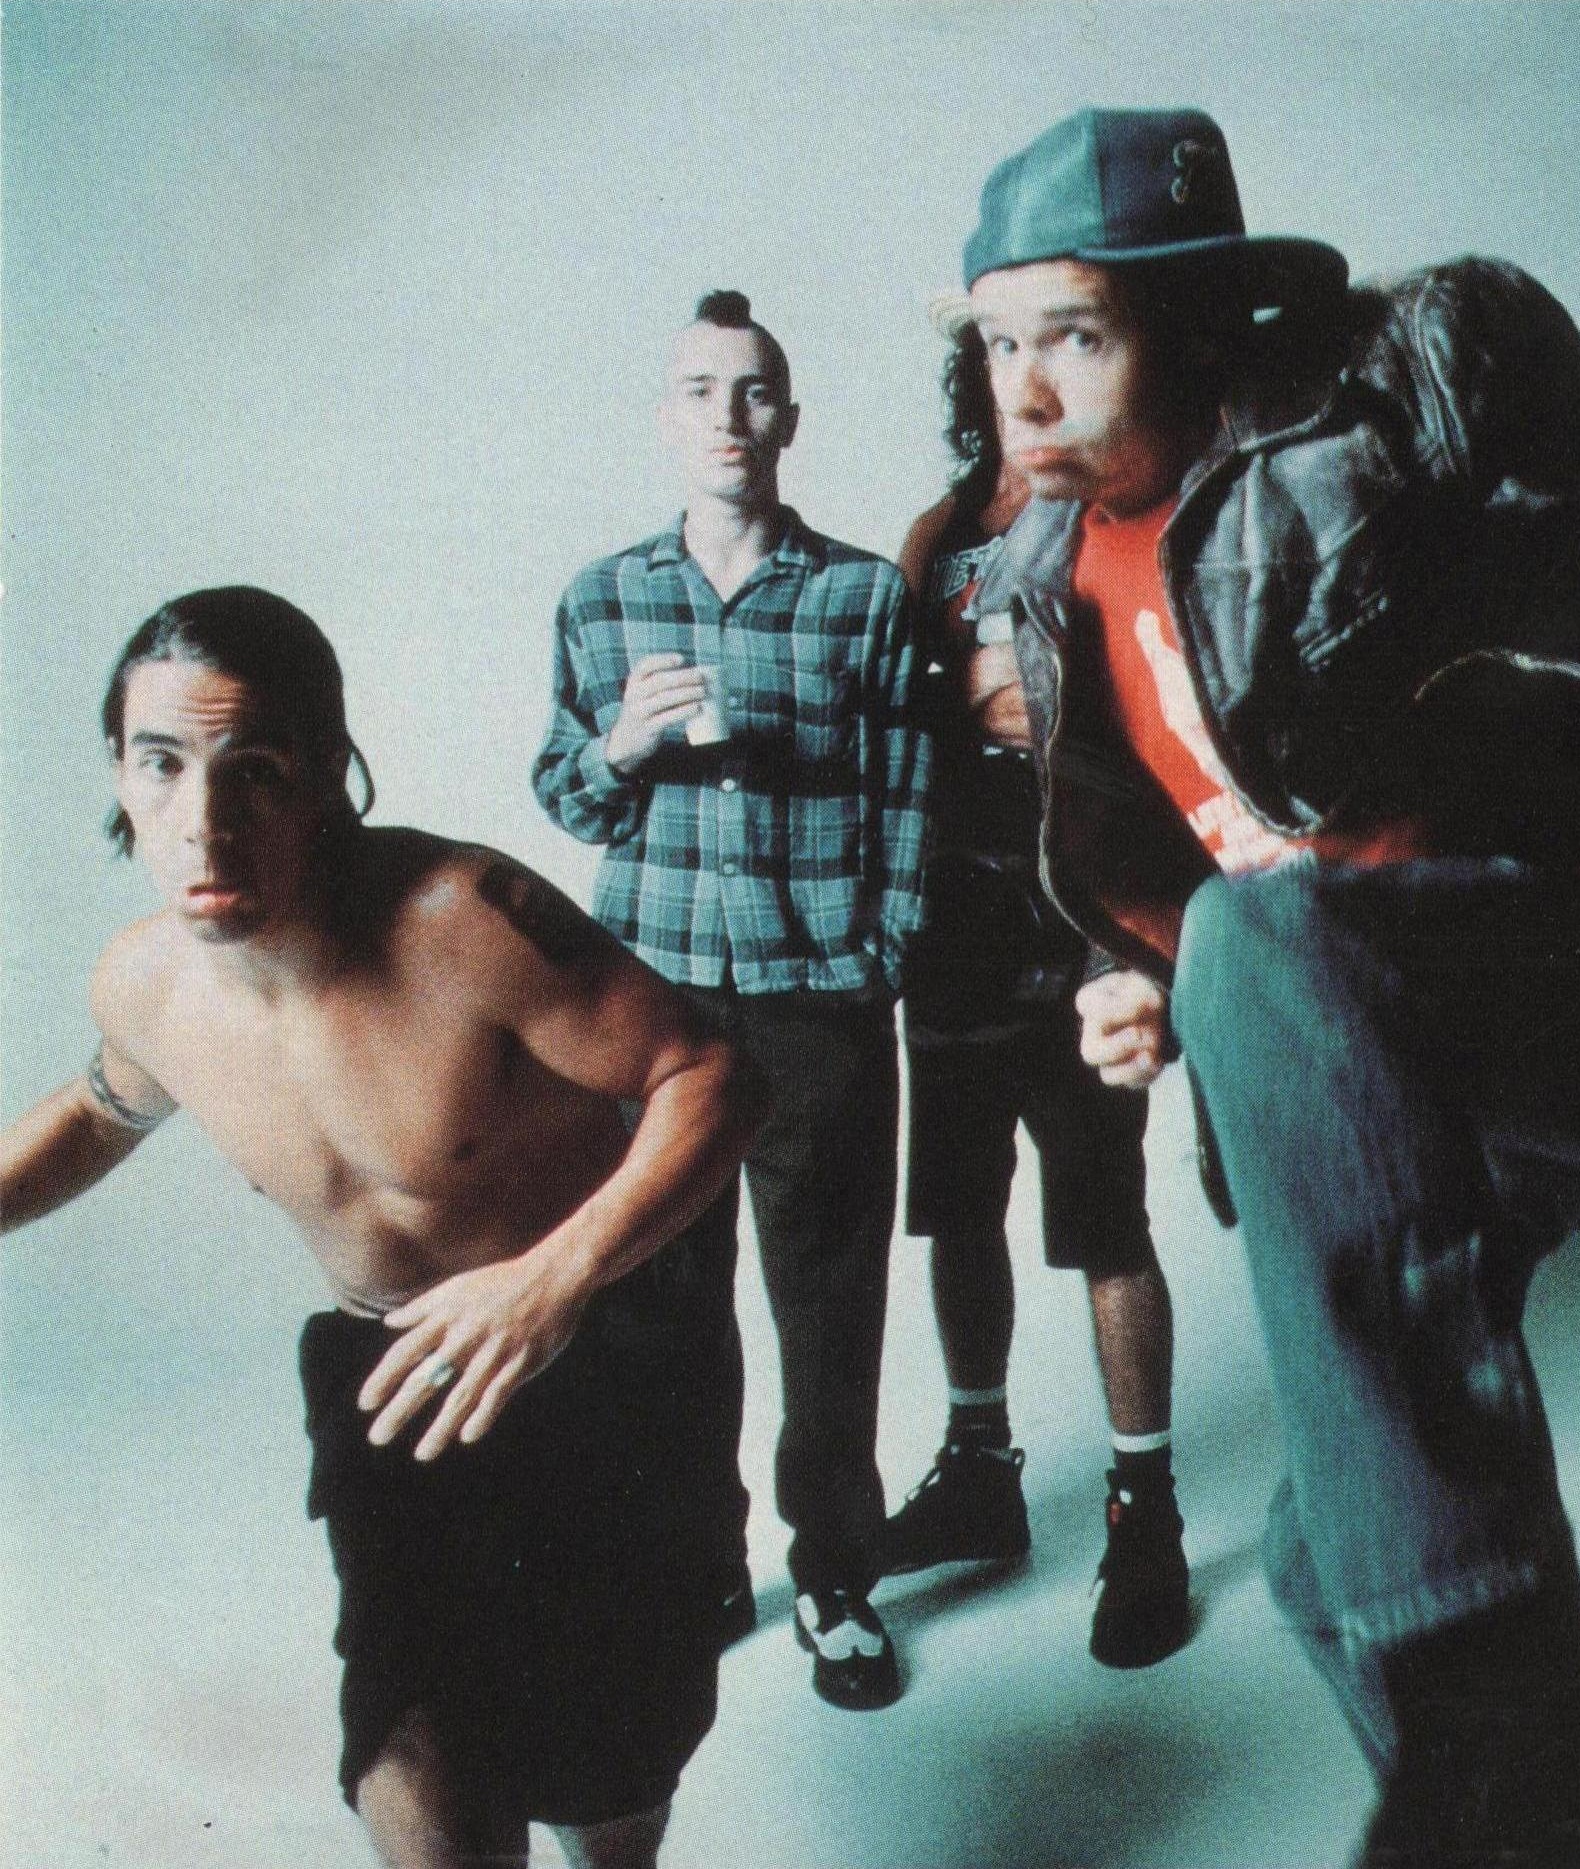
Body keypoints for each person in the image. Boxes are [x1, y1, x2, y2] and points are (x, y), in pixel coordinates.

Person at [956, 107, 1580, 1865]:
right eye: (998, 343)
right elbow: (1204, 850)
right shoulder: (1037, 590)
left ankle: (1501, 1725)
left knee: (1267, 942)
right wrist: (1154, 981)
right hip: (1387, 1074)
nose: (1025, 390)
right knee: (1326, 1557)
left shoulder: (1373, 428)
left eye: (1072, 334)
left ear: (1194, 324)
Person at [0, 587, 766, 1869]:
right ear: (120, 776)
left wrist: (552, 1282)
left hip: (608, 1346)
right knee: (411, 1756)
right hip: (397, 1376)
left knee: (610, 1773)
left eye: (254, 770)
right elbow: (98, 1110)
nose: (205, 820)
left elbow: (716, 1076)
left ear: (324, 778)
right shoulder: (144, 985)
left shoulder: (462, 918)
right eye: (163, 764)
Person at [533, 290, 930, 1711]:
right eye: (700, 390)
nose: (728, 416)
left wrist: (879, 952)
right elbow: (565, 792)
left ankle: (836, 1576)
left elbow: (911, 797)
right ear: (667, 418)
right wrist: (623, 745)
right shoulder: (602, 597)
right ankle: (698, 1563)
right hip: (651, 1007)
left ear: (790, 419)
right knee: (661, 1306)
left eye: (754, 390)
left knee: (828, 1305)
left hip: (816, 999)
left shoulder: (862, 596)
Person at [885, 313, 1189, 1669]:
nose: (1028, 389)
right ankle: (978, 1467)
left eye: (1050, 365)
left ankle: (1144, 1505)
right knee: (959, 1205)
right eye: (1002, 366)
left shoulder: (1122, 517)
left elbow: (1148, 706)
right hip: (955, 907)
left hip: (1082, 903)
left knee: (1105, 1215)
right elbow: (901, 702)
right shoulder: (941, 529)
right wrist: (969, 683)